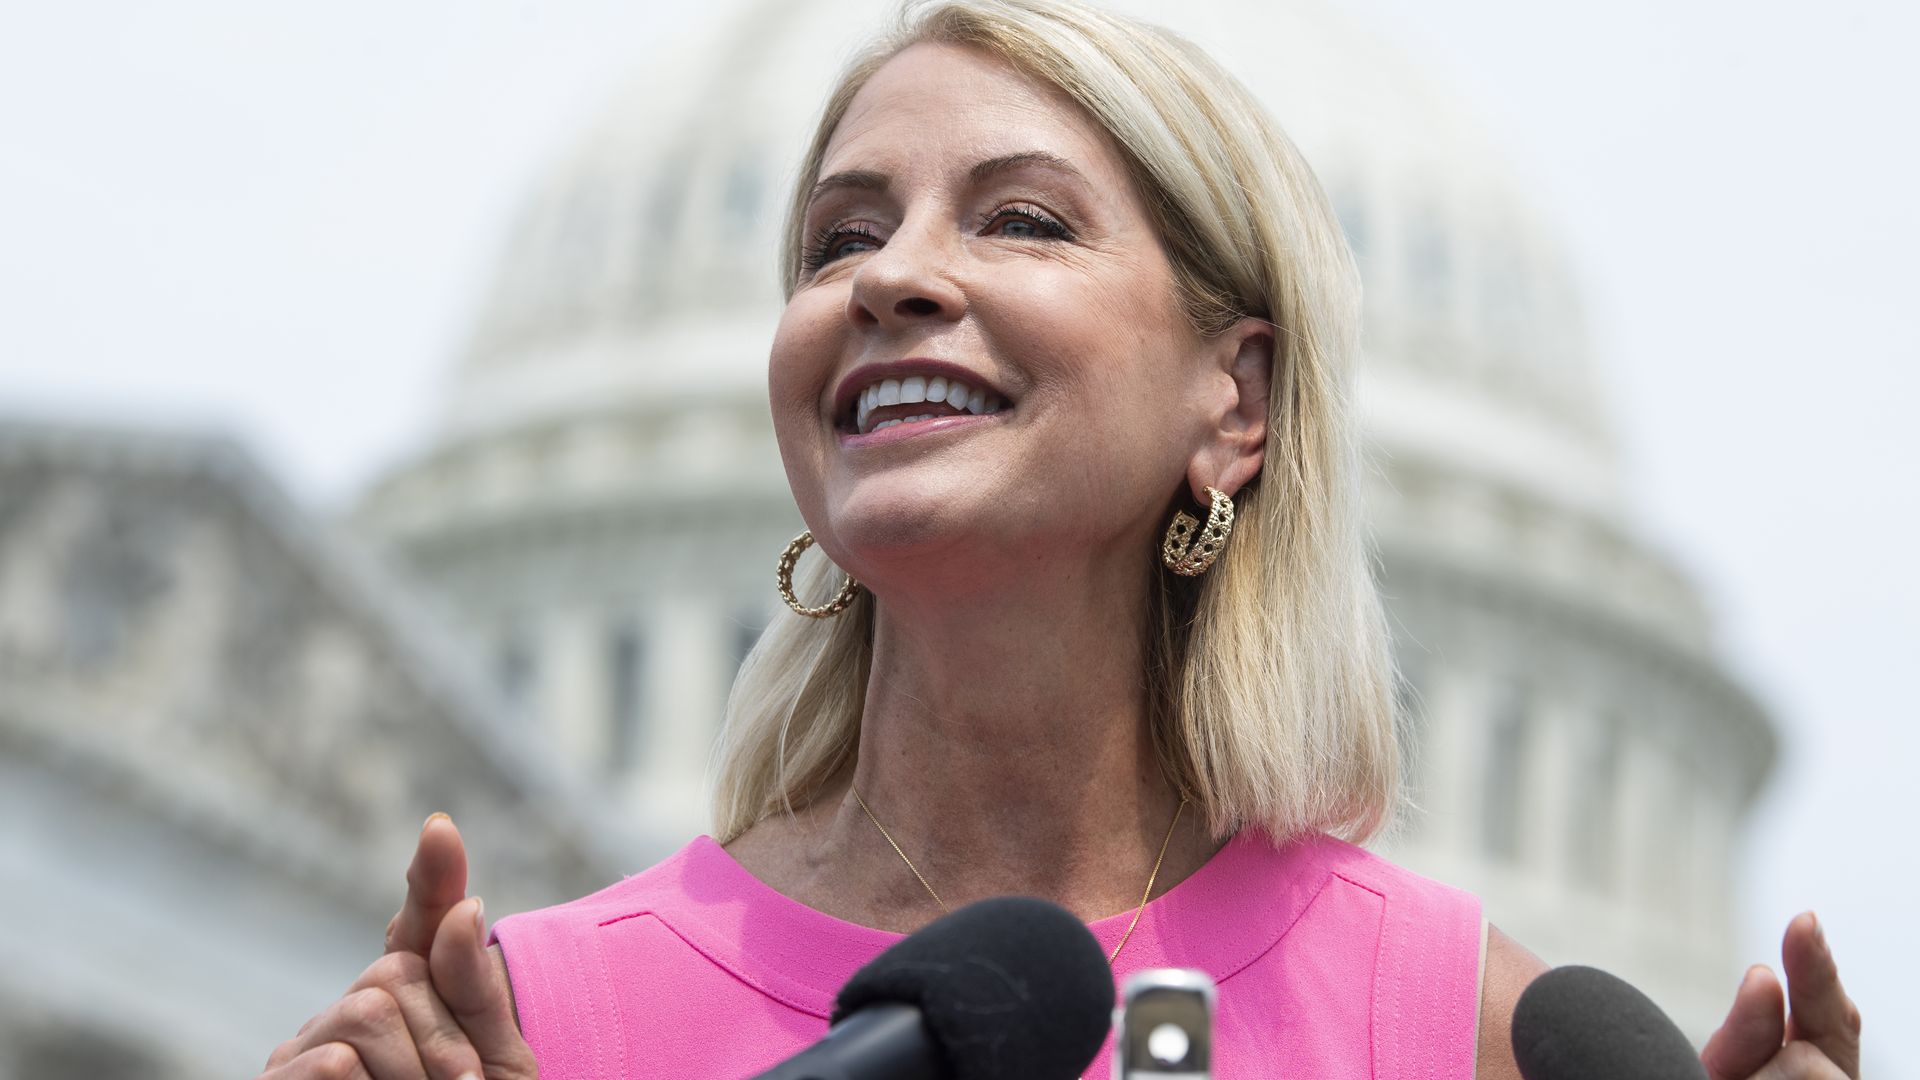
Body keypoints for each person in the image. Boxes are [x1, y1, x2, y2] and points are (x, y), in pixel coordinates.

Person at [257, 1, 1863, 1077]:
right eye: (841, 236)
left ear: (1235, 400)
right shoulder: (536, 1025)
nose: (895, 276)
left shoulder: (1459, 1028)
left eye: (1019, 218)